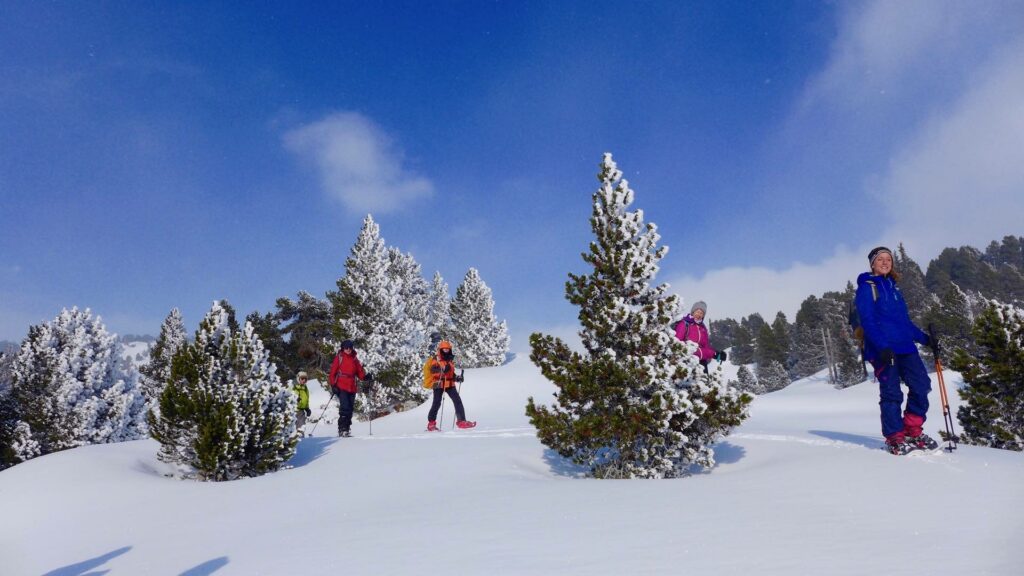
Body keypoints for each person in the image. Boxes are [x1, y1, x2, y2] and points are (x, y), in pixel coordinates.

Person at [856, 246, 940, 455]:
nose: (885, 262)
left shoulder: (894, 288)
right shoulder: (867, 287)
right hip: (884, 350)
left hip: (906, 347)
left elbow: (904, 323)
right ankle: (895, 436)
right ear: (872, 263)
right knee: (892, 393)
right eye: (880, 259)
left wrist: (925, 339)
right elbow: (868, 321)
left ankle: (912, 429)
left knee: (922, 386)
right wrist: (882, 347)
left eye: (888, 259)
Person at [424, 340, 475, 431]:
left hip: (450, 383)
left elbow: (451, 373)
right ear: (440, 349)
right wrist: (442, 370)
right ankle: (431, 424)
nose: (446, 351)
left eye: (448, 349)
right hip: (438, 383)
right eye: (444, 349)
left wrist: (457, 378)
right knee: (436, 403)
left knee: (457, 401)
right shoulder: (436, 359)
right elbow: (433, 370)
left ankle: (462, 421)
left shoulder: (450, 359)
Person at [328, 340, 371, 438]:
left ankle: (346, 429)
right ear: (343, 348)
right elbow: (332, 373)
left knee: (350, 409)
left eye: (350, 347)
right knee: (345, 407)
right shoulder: (339, 358)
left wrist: (365, 377)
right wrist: (333, 385)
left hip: (352, 386)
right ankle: (342, 429)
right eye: (346, 347)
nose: (348, 349)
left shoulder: (355, 359)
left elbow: (359, 372)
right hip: (341, 385)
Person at [675, 301, 726, 373]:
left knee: (704, 383)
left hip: (702, 363)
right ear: (693, 311)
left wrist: (717, 354)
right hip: (688, 362)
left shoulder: (702, 328)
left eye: (702, 313)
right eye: (697, 311)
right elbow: (677, 344)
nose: (699, 314)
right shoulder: (684, 324)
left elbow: (706, 347)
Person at [293, 371, 311, 435]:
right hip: (293, 409)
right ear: (298, 378)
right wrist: (295, 399)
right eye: (302, 378)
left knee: (302, 423)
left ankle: (300, 436)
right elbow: (290, 394)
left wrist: (307, 408)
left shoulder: (305, 388)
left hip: (301, 410)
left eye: (305, 379)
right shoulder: (294, 386)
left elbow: (306, 399)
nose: (304, 380)